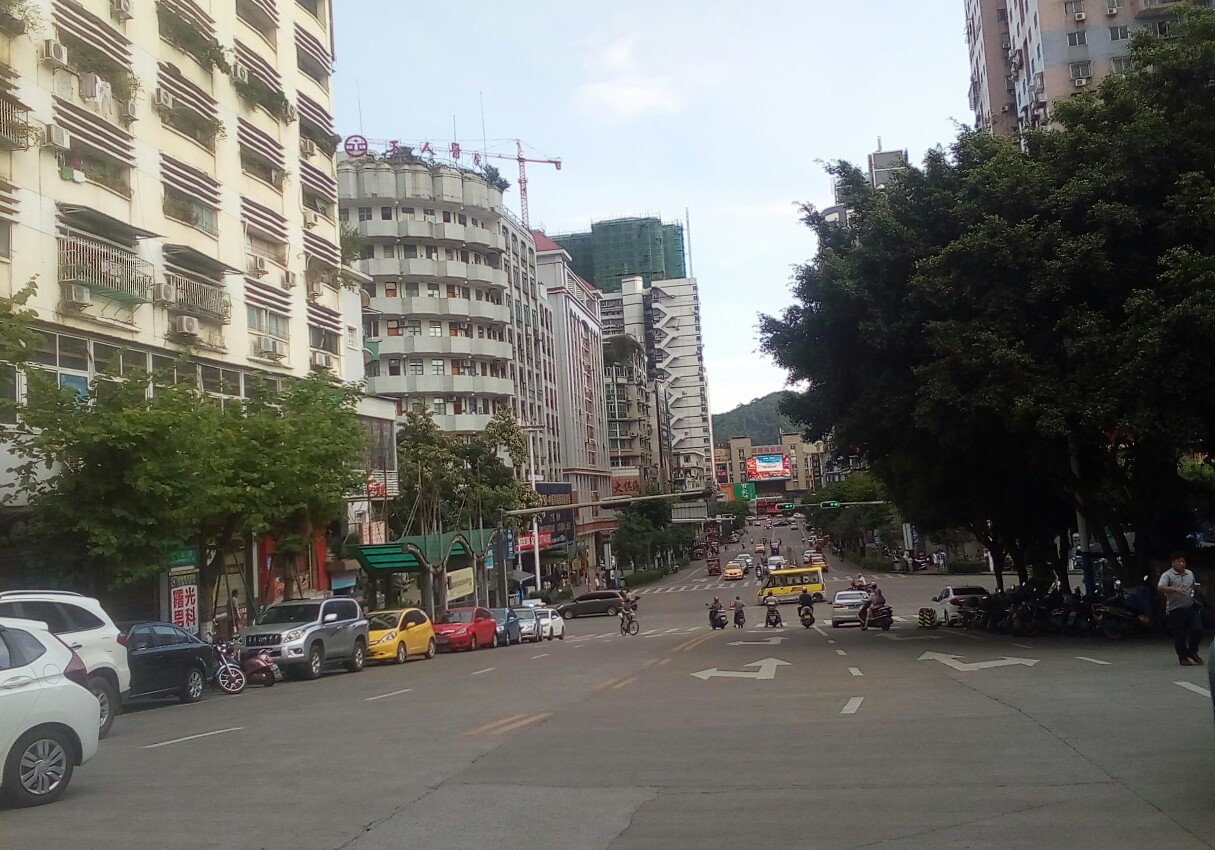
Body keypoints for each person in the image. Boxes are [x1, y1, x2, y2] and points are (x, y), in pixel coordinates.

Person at [1158, 552, 1203, 666]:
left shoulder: (1189, 573)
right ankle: (1183, 657)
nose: (1182, 564)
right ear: (1173, 562)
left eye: (1183, 561)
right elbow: (1160, 587)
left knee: (1198, 629)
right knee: (1180, 635)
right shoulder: (1167, 575)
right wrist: (1175, 589)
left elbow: (1192, 585)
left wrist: (1196, 588)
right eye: (1179, 561)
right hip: (1175, 609)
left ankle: (1192, 651)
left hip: (1190, 606)